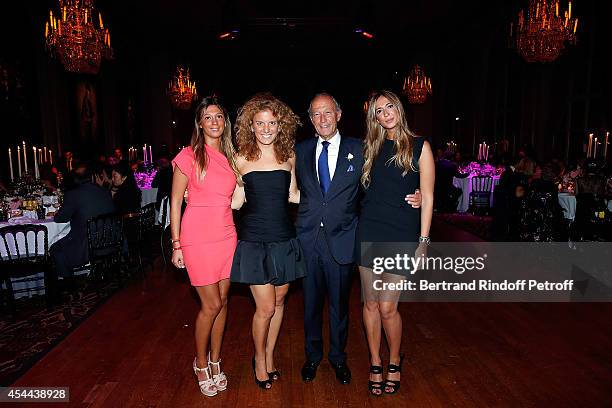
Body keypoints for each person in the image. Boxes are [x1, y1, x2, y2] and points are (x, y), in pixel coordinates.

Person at [295, 93, 422, 385]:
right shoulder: (300, 150)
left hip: (344, 240)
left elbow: (389, 178)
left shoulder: (363, 148)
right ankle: (312, 357)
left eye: (328, 112)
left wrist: (417, 195)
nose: (322, 119)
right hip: (309, 240)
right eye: (316, 114)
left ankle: (338, 359)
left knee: (340, 307)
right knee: (310, 306)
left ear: (339, 114)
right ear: (311, 119)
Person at [356, 90, 434, 396]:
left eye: (389, 106)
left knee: (388, 306)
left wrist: (424, 240)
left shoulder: (420, 146)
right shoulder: (370, 147)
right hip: (370, 228)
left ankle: (394, 360)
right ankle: (375, 360)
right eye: (379, 110)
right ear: (373, 117)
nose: (385, 113)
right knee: (370, 302)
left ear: (399, 109)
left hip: (401, 231)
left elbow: (426, 196)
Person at [230, 93, 307, 390]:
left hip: (284, 239)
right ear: (251, 125)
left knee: (278, 302)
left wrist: (330, 196)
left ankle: (270, 354)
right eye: (259, 123)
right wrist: (197, 198)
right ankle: (259, 360)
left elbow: (294, 195)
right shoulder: (240, 158)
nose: (265, 128)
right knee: (264, 308)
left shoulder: (289, 156)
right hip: (254, 242)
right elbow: (235, 202)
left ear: (280, 125)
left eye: (271, 123)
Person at [170, 96, 240, 397]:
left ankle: (215, 360)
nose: (214, 121)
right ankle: (200, 363)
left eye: (219, 116)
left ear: (225, 123)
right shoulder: (187, 156)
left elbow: (239, 197)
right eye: (208, 117)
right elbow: (175, 202)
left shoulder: (233, 157)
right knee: (210, 304)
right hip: (196, 236)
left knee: (223, 302)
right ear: (200, 122)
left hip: (227, 235)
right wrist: (176, 244)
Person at [50, 164, 115, 278]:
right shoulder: (104, 191)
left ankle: (69, 285)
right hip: (111, 238)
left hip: (89, 244)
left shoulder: (73, 194)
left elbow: (61, 218)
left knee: (55, 249)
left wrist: (59, 212)